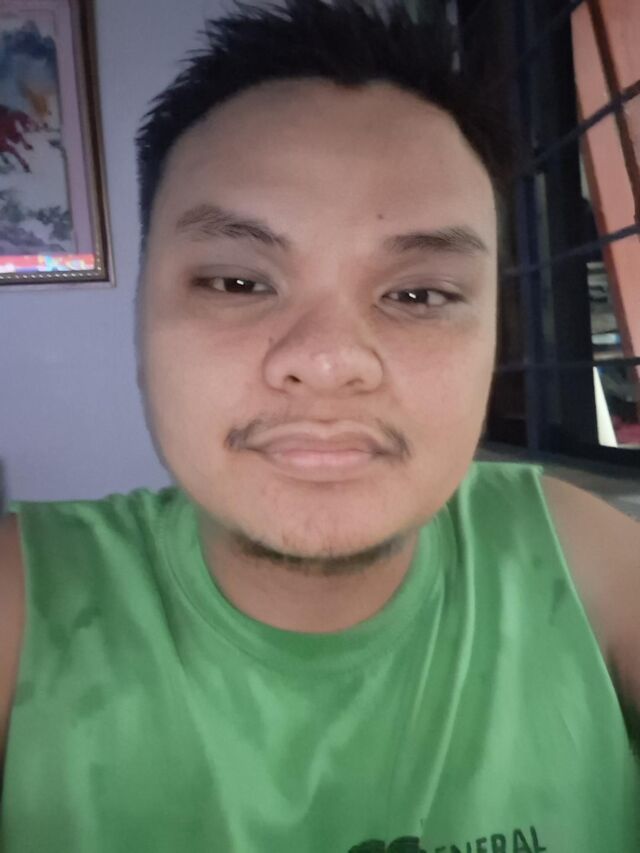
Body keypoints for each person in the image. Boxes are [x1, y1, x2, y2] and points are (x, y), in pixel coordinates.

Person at [1, 0, 639, 849]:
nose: (330, 360)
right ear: (141, 322)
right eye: (238, 282)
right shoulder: (24, 606)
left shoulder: (586, 564)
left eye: (419, 294)